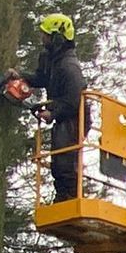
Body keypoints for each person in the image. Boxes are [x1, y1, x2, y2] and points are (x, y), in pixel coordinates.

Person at [14, 13, 86, 201]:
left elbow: (74, 99)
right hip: (62, 112)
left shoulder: (69, 66)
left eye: (46, 34)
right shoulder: (50, 59)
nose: (42, 38)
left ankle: (70, 198)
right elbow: (41, 78)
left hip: (74, 115)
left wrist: (52, 112)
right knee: (58, 161)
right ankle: (63, 197)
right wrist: (21, 76)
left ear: (57, 38)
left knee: (65, 161)